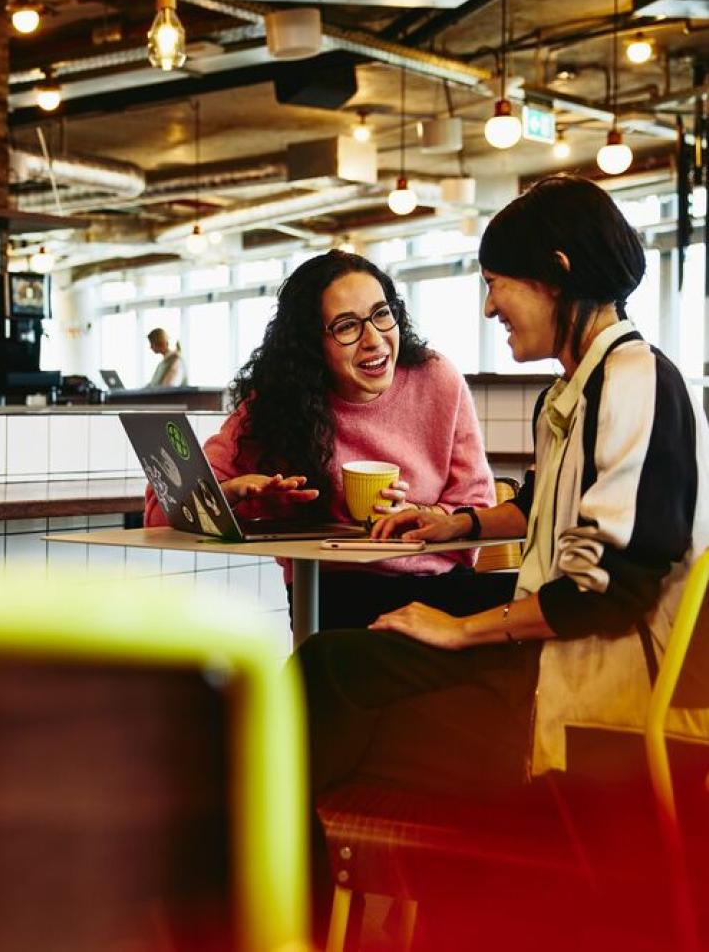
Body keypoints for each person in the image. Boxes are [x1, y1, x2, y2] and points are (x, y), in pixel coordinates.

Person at [299, 176, 709, 933]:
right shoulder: (590, 382)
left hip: (590, 708)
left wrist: (460, 629)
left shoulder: (635, 381)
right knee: (330, 666)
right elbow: (550, 503)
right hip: (554, 660)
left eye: (495, 285)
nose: (489, 309)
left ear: (554, 272)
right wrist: (456, 525)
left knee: (323, 711)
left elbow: (605, 587)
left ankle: (291, 908)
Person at [144, 250, 506, 630]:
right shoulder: (277, 404)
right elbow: (160, 513)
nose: (374, 339)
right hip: (333, 595)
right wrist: (233, 492)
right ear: (310, 344)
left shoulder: (436, 379)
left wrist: (421, 516)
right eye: (347, 326)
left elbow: (476, 505)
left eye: (382, 314)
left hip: (442, 588)